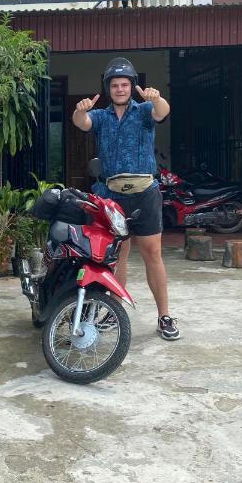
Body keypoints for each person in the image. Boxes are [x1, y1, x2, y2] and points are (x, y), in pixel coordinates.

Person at [72, 57, 180, 341]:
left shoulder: (145, 110)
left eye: (125, 84)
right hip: (111, 194)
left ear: (132, 87)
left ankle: (164, 315)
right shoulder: (101, 117)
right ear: (109, 89)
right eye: (115, 85)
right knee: (117, 254)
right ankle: (114, 310)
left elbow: (162, 112)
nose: (120, 89)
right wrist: (79, 110)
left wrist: (157, 99)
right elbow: (81, 123)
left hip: (144, 193)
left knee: (152, 254)